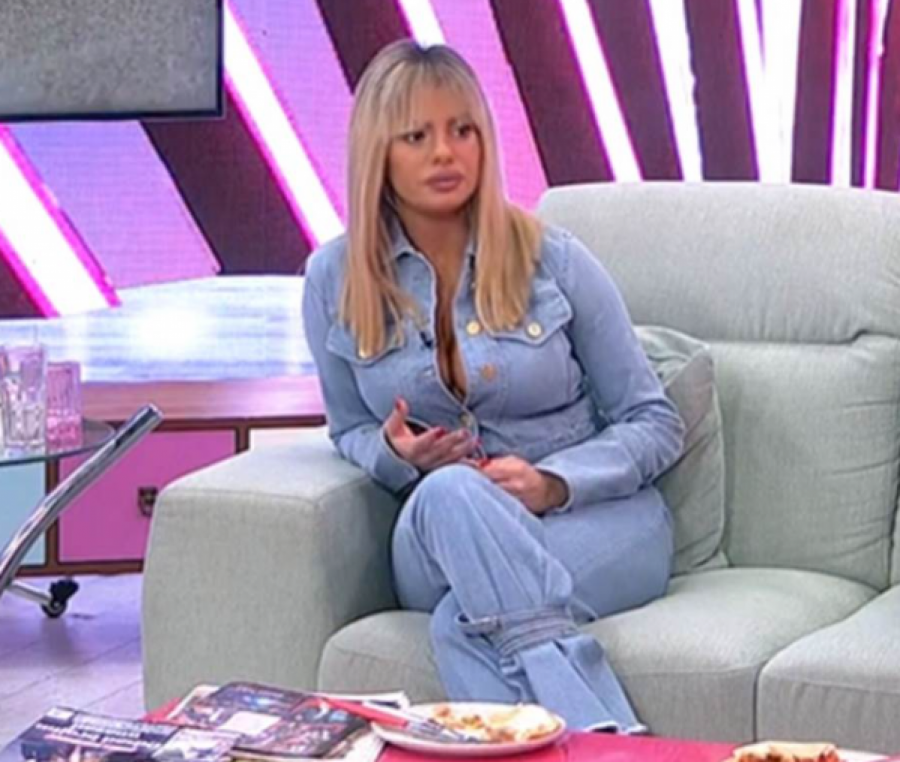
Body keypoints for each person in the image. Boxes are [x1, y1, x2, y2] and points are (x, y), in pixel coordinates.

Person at [302, 39, 685, 733]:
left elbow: (653, 421)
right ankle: (610, 742)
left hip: (596, 521)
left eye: (463, 130)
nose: (445, 153)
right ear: (378, 153)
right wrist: (398, 457)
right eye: (417, 136)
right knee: (451, 490)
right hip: (438, 536)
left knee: (462, 625)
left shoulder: (554, 259)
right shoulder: (334, 279)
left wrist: (553, 482)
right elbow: (348, 428)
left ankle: (579, 745)